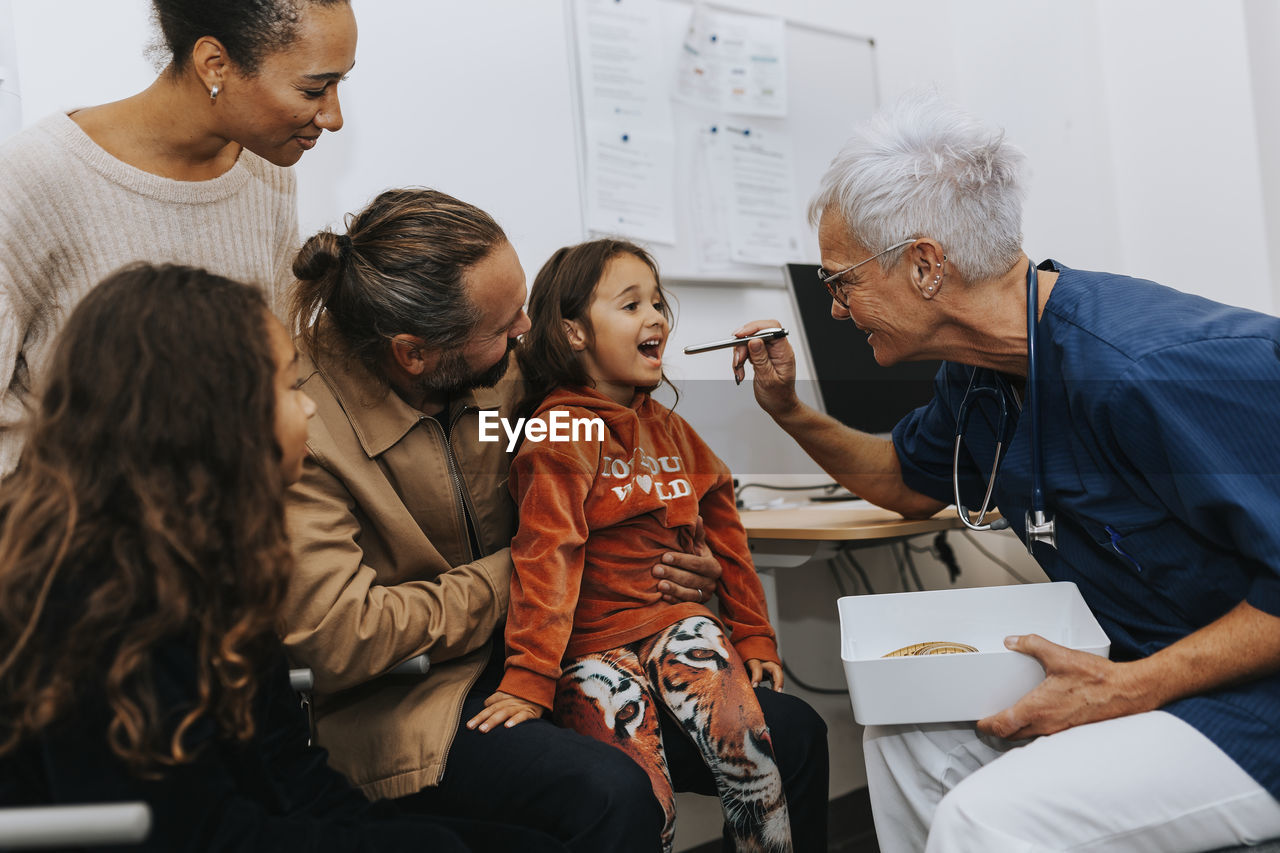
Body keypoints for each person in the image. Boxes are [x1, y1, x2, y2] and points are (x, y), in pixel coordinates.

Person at [732, 92, 1280, 852]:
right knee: (903, 734)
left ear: (925, 264)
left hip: (1255, 703)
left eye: (840, 281)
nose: (833, 309)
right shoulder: (982, 374)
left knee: (987, 818)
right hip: (1168, 674)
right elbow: (902, 479)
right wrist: (789, 409)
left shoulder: (1150, 371)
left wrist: (1128, 688)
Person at [282, 188, 830, 852]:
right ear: (415, 353)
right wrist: (534, 568)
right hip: (418, 705)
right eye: (504, 325)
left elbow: (621, 422)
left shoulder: (510, 373)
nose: (524, 334)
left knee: (793, 731)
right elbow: (341, 632)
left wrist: (684, 550)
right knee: (610, 792)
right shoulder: (307, 429)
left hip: (574, 647)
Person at [0, 264, 564, 852]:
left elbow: (289, 772)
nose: (311, 409)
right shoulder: (97, 596)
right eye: (287, 388)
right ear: (211, 414)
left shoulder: (210, 560)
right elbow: (193, 834)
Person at [465, 238, 793, 853]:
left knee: (748, 748)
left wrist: (752, 634)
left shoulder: (671, 427)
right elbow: (546, 554)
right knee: (644, 800)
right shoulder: (559, 430)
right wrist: (529, 676)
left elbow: (727, 532)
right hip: (590, 642)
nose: (656, 318)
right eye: (630, 304)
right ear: (573, 334)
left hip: (677, 621)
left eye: (658, 302)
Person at [0, 0, 357, 476]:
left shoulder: (266, 175)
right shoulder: (29, 181)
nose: (332, 116)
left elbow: (268, 385)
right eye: (314, 89)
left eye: (340, 84)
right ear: (216, 64)